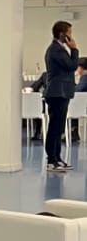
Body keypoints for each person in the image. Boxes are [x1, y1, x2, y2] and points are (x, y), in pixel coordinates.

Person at [43, 20, 79, 171]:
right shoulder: (56, 50)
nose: (71, 36)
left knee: (58, 127)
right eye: (69, 33)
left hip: (62, 92)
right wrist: (74, 50)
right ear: (62, 34)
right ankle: (52, 160)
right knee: (55, 127)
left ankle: (57, 158)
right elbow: (72, 65)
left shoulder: (59, 49)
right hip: (57, 92)